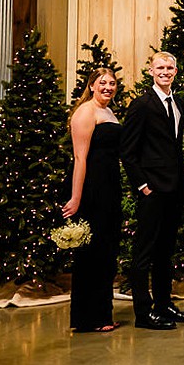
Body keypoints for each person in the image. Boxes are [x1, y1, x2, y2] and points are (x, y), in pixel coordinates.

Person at [120, 52, 184, 330]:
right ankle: (143, 312)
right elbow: (128, 151)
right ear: (150, 71)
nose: (165, 71)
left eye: (170, 67)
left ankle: (163, 303)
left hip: (174, 189)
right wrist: (143, 185)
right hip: (152, 190)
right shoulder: (141, 105)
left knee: (165, 251)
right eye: (160, 67)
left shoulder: (179, 103)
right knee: (144, 252)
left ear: (175, 71)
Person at [63, 68, 123, 332]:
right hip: (91, 187)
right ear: (92, 85)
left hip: (109, 185)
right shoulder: (85, 112)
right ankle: (89, 318)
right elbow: (80, 158)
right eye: (103, 83)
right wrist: (76, 197)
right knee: (92, 252)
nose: (108, 87)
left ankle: (103, 313)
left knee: (107, 251)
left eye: (112, 83)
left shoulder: (109, 112)